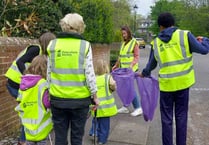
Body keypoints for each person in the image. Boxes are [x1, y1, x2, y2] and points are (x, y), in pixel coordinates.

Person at [138, 12, 209, 145]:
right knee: (181, 117)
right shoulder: (184, 35)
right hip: (183, 85)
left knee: (166, 119)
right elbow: (204, 50)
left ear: (160, 26)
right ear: (173, 23)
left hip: (166, 87)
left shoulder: (156, 42)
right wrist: (205, 39)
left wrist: (143, 73)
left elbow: (151, 65)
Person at [47, 13, 99, 145]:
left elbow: (49, 73)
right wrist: (95, 95)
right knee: (77, 137)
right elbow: (89, 74)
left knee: (60, 137)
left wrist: (49, 93)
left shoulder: (52, 45)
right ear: (80, 27)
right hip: (79, 101)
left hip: (57, 99)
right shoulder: (84, 46)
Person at [5, 32, 56, 145]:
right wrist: (27, 77)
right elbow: (20, 62)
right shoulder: (35, 50)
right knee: (29, 111)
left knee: (30, 111)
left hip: (24, 85)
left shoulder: (42, 54)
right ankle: (25, 140)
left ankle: (26, 139)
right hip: (16, 84)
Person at [15, 55, 53, 145]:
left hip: (27, 122)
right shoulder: (43, 84)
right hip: (41, 123)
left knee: (29, 142)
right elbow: (47, 103)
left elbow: (19, 100)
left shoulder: (23, 82)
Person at [112, 25, 142, 117]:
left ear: (128, 33)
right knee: (124, 89)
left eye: (124, 33)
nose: (123, 35)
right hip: (123, 70)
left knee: (129, 88)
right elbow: (120, 56)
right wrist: (116, 65)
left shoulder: (134, 42)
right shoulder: (123, 43)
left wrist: (132, 64)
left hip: (130, 70)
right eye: (122, 34)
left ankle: (138, 108)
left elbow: (137, 56)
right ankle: (126, 106)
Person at [89, 59, 117, 144]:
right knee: (105, 126)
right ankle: (102, 140)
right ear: (105, 67)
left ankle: (95, 133)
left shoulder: (93, 78)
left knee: (96, 122)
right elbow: (113, 85)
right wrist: (113, 89)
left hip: (96, 107)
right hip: (106, 108)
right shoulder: (107, 77)